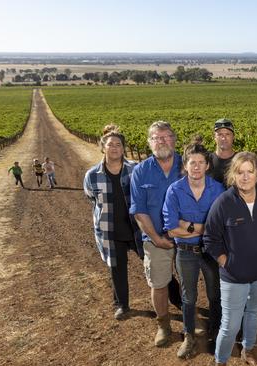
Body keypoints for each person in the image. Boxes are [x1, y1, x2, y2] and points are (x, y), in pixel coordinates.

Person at [204, 152, 257, 366]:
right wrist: (227, 262)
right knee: (230, 324)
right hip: (235, 276)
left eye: (250, 172)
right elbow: (210, 238)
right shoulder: (223, 202)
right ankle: (220, 361)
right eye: (240, 172)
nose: (245, 177)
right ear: (233, 175)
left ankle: (247, 351)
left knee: (254, 314)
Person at [163, 142, 225, 358]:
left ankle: (216, 332)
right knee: (188, 297)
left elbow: (219, 227)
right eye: (192, 163)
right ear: (185, 166)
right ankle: (188, 337)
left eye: (201, 163)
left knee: (214, 295)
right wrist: (201, 228)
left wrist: (186, 225)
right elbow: (171, 230)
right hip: (185, 252)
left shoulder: (218, 189)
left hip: (210, 251)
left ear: (207, 165)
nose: (196, 167)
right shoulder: (174, 190)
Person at [130, 121, 184, 347]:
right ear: (149, 142)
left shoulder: (187, 163)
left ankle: (191, 322)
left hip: (187, 237)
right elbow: (139, 210)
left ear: (174, 139)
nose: (161, 141)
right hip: (155, 237)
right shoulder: (141, 171)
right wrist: (155, 238)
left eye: (166, 136)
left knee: (191, 282)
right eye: (156, 138)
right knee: (159, 284)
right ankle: (164, 325)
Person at [84, 125, 143, 320]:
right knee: (117, 269)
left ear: (123, 148)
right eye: (111, 144)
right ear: (103, 147)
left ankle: (176, 300)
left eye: (118, 144)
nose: (115, 148)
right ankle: (122, 305)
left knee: (154, 264)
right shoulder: (92, 175)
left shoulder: (135, 169)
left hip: (138, 229)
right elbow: (91, 198)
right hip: (111, 230)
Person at [207, 118, 236, 186]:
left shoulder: (241, 160)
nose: (223, 138)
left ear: (233, 137)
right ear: (214, 137)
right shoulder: (206, 160)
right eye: (220, 135)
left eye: (227, 134)